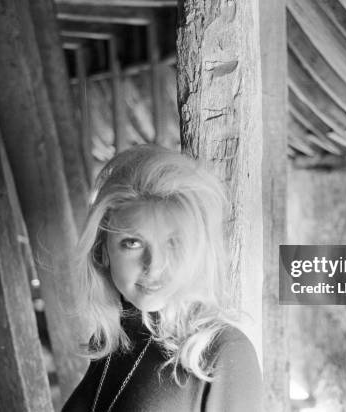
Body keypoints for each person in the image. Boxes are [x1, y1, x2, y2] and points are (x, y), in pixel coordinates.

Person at [62, 145, 263, 412]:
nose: (153, 267)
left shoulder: (224, 352)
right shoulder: (113, 336)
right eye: (132, 243)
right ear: (103, 250)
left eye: (173, 244)